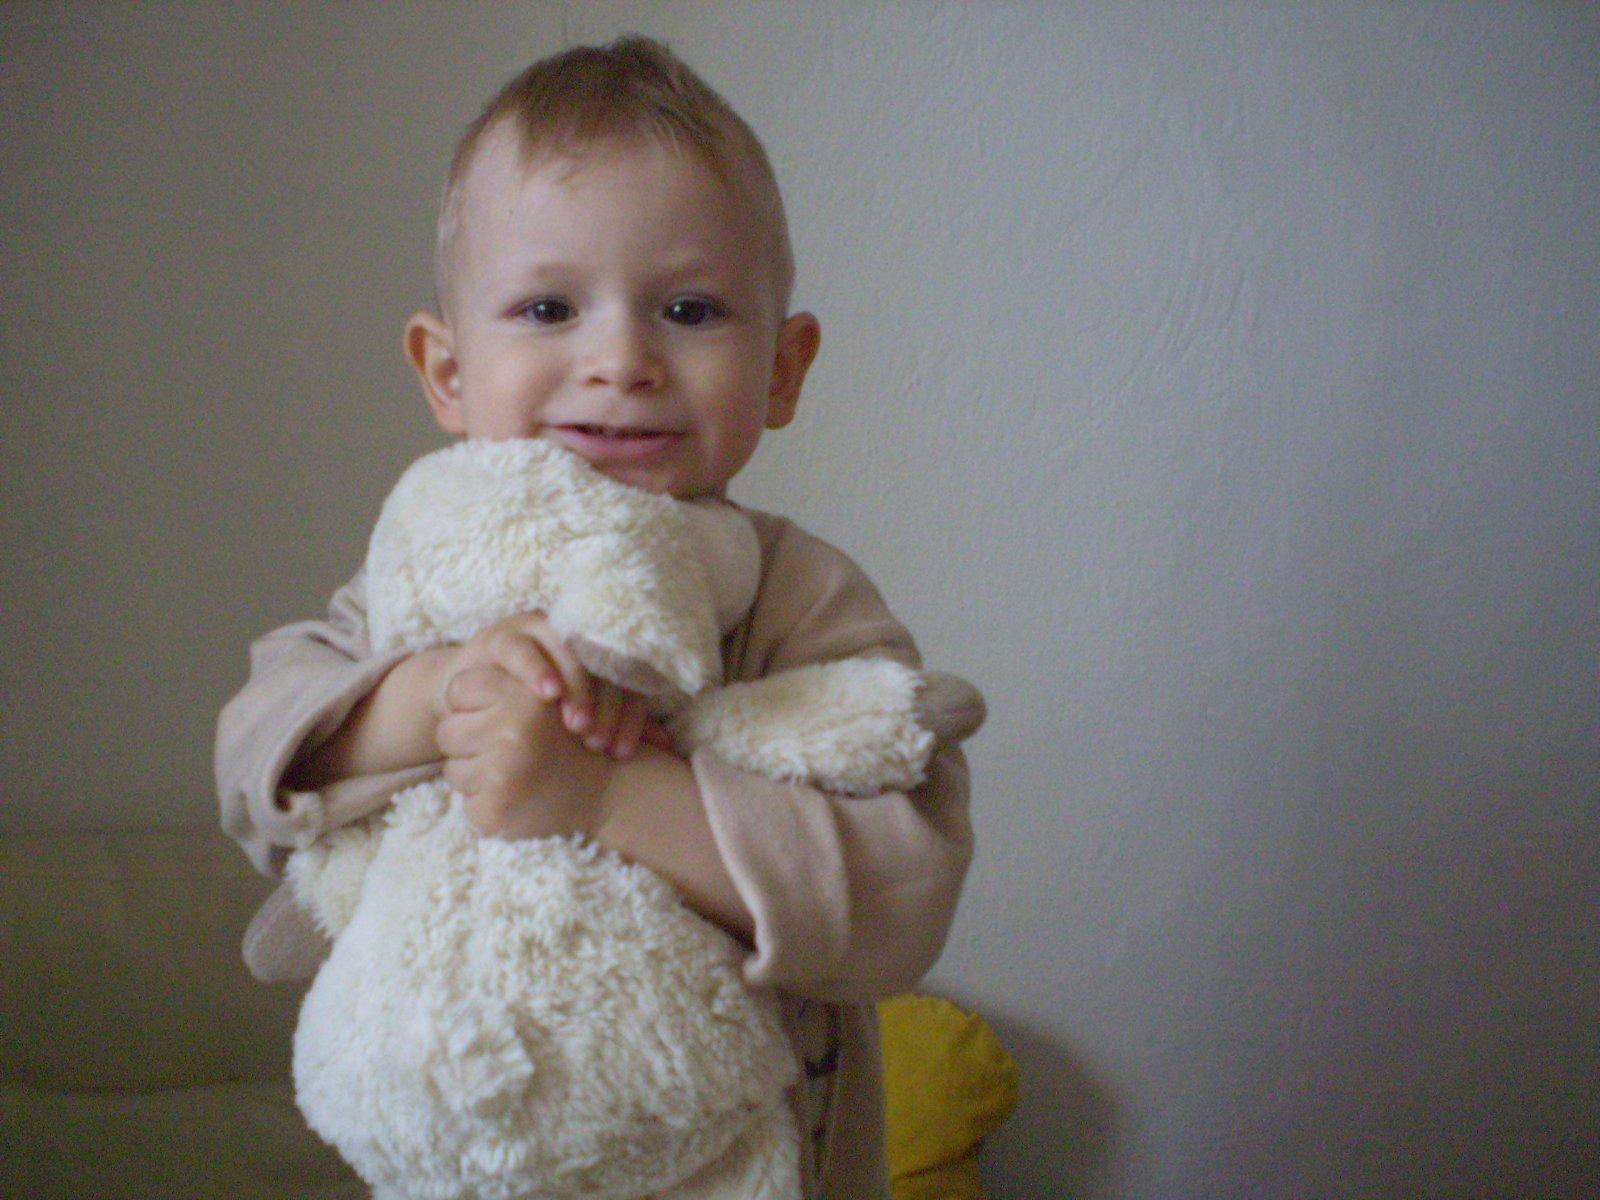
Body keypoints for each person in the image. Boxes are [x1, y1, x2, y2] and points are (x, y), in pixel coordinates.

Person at [215, 36, 982, 1198]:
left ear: (782, 368)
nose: (620, 358)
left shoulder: (796, 595)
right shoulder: (425, 580)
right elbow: (251, 761)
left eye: (689, 309)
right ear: (447, 373)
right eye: (547, 307)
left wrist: (605, 796)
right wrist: (436, 696)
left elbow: (897, 895)